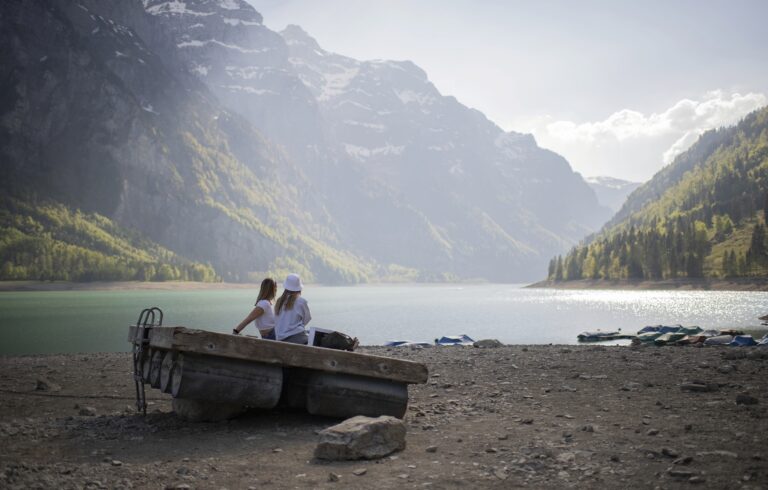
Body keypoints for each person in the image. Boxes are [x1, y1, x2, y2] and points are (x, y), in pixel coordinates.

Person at [274, 273, 311, 344]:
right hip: (296, 338)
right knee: (315, 340)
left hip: (279, 338)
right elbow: (307, 318)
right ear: (299, 288)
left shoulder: (279, 301)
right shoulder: (301, 301)